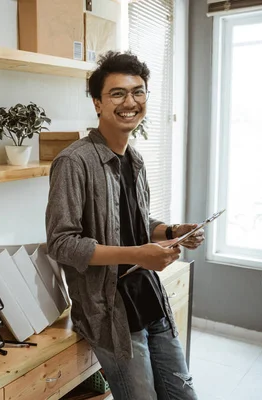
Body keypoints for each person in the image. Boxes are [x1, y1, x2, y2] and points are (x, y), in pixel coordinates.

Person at [45, 51, 204, 400]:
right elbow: (62, 243)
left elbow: (135, 222)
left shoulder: (135, 159)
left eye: (138, 91)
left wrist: (172, 232)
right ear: (97, 103)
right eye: (117, 93)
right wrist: (138, 255)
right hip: (110, 313)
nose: (129, 101)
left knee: (183, 395)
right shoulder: (74, 162)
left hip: (149, 298)